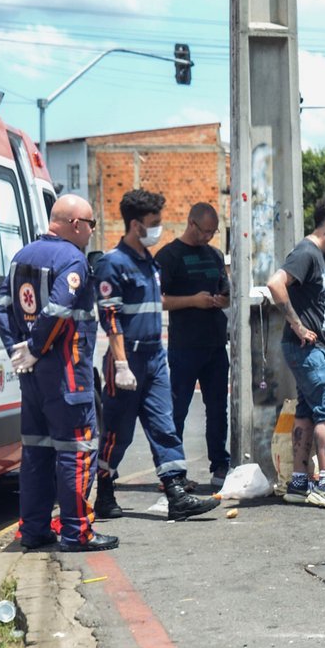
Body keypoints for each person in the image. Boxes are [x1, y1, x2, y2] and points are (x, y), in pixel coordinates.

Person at [0, 194, 117, 552]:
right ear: (76, 224)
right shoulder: (72, 259)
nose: (92, 232)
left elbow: (0, 308)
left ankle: (33, 530)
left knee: (36, 452)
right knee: (76, 451)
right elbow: (59, 308)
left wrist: (18, 350)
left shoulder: (21, 257)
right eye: (91, 225)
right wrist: (33, 347)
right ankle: (77, 531)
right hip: (67, 375)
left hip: (32, 377)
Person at [94, 188, 218, 522]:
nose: (159, 228)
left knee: (164, 425)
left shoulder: (148, 261)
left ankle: (176, 491)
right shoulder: (113, 264)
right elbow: (111, 318)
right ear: (135, 225)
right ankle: (103, 488)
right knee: (118, 432)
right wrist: (120, 364)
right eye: (154, 223)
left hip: (154, 356)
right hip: (127, 359)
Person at [265, 193, 325, 509]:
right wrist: (296, 324)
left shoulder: (323, 255)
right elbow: (275, 284)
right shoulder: (306, 252)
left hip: (316, 348)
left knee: (307, 411)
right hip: (309, 349)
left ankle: (298, 483)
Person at [157, 202, 231, 488]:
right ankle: (172, 471)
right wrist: (192, 301)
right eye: (206, 231)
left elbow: (225, 290)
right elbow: (157, 299)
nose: (209, 237)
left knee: (217, 409)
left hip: (214, 345)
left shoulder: (213, 255)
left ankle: (220, 464)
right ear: (191, 224)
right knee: (178, 410)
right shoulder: (169, 256)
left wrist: (221, 299)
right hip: (185, 346)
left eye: (213, 232)